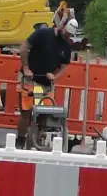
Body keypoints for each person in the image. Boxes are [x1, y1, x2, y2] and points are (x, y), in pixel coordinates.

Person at [16, 20, 72, 148]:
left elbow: (64, 65)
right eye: (66, 33)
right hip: (30, 80)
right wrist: (26, 68)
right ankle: (20, 140)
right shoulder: (42, 34)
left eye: (70, 35)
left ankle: (39, 141)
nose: (67, 37)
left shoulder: (66, 46)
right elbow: (24, 47)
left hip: (46, 85)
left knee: (45, 113)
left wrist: (55, 76)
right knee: (26, 112)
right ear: (62, 26)